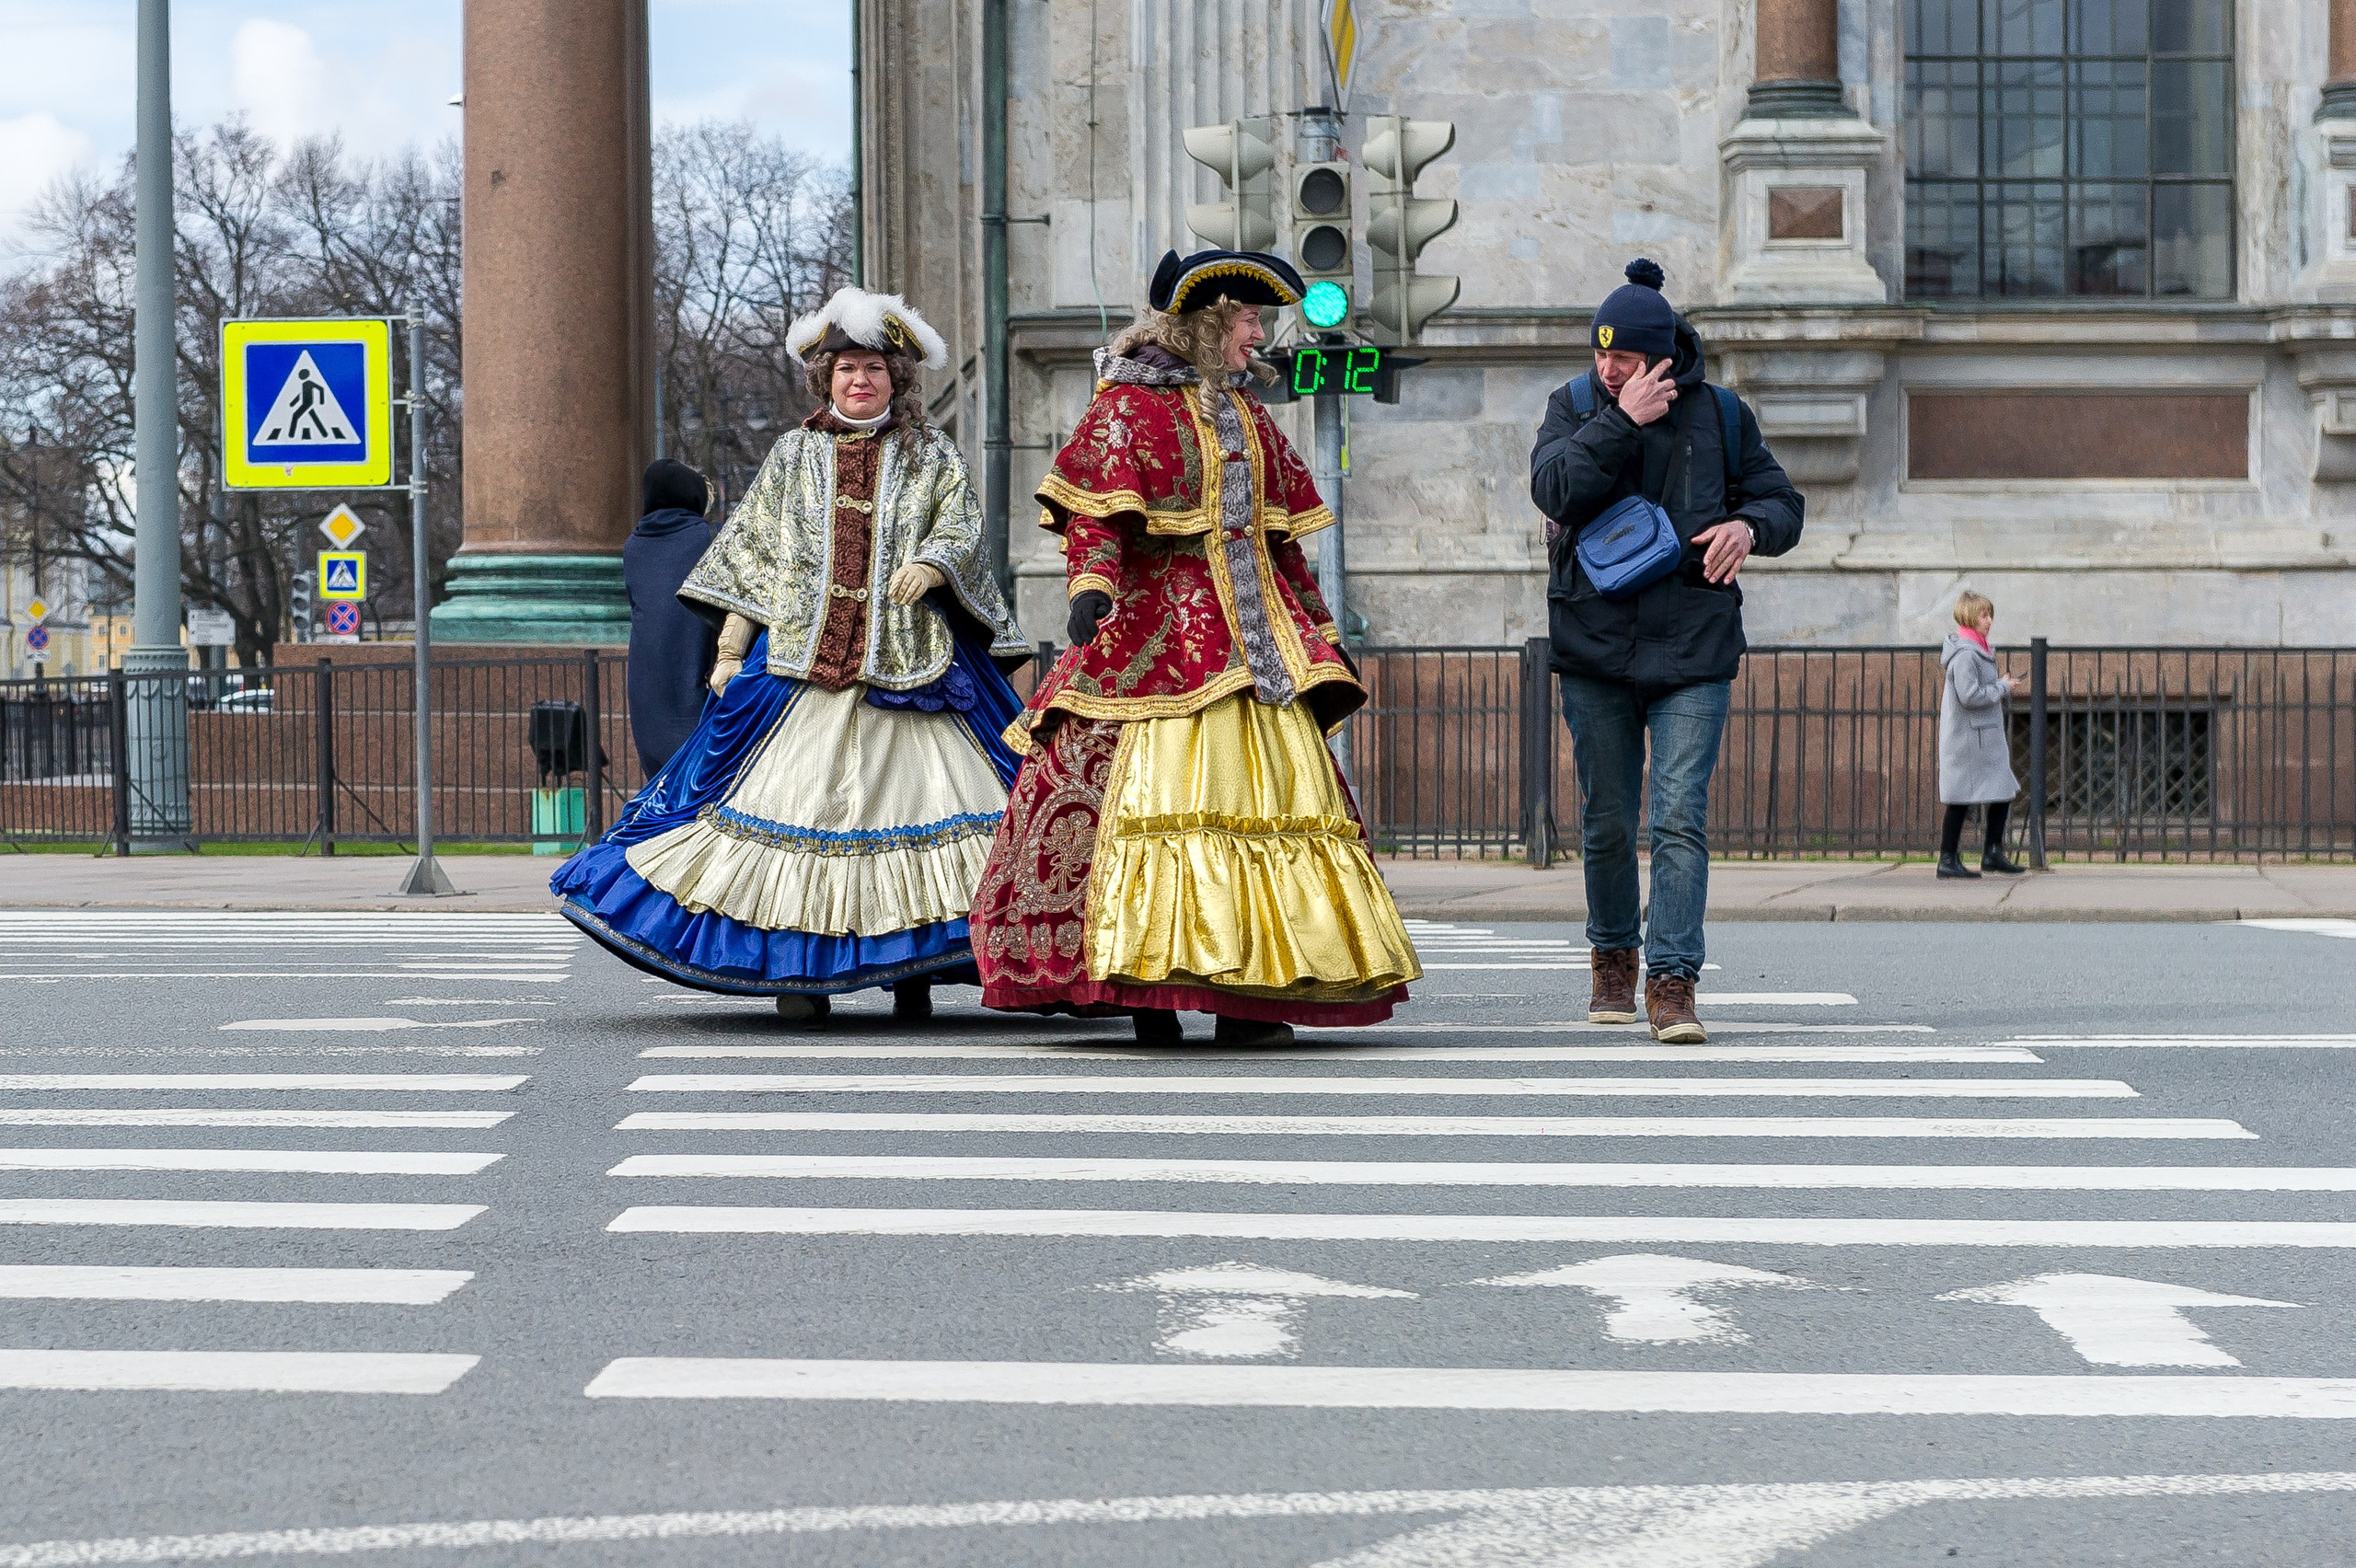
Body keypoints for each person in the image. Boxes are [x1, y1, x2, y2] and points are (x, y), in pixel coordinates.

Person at [967, 248, 1422, 1047]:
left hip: (1258, 649)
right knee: (1142, 808)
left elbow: (1282, 547)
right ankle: (1151, 995)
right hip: (1158, 641)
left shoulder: (1250, 414)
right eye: (1249, 320)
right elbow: (1097, 518)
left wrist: (1316, 629)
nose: (1259, 335)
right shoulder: (1127, 409)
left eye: (1260, 321)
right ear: (1208, 324)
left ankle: (1251, 999)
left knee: (1274, 817)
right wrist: (1091, 589)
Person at [553, 286, 1033, 1021]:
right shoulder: (792, 454)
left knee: (935, 809)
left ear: (894, 379)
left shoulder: (930, 451)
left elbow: (962, 526)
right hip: (799, 671)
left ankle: (913, 973)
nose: (860, 380)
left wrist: (935, 564)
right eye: (846, 369)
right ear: (826, 377)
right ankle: (795, 975)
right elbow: (756, 558)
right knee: (788, 813)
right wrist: (729, 650)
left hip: (911, 670)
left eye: (873, 367)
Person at [1530, 259, 1804, 1044]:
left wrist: (1751, 527)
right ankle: (1613, 957)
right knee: (1607, 817)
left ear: (1662, 355)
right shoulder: (1577, 406)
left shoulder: (1722, 415)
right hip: (1594, 645)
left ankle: (1673, 980)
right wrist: (1622, 420)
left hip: (1694, 643)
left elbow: (1784, 502)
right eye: (1600, 354)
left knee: (1680, 814)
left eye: (1624, 358)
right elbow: (1554, 490)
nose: (1607, 369)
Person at [623, 457, 720, 778]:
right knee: (698, 779)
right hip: (695, 679)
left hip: (645, 685)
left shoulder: (634, 546)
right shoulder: (703, 539)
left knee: (659, 781)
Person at [1937, 589, 2026, 879]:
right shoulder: (1965, 654)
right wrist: (2001, 688)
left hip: (1983, 738)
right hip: (1968, 740)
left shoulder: (1980, 649)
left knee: (2002, 791)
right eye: (1983, 615)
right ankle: (1948, 859)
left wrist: (2000, 682)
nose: (1989, 621)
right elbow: (1969, 696)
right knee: (1960, 798)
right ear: (1969, 617)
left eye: (1989, 615)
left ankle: (1993, 853)